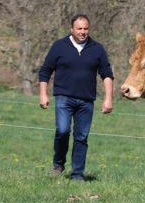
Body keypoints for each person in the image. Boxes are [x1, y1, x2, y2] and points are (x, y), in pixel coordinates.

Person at [39, 14, 114, 180]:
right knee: (63, 130)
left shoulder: (97, 48)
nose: (83, 32)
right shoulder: (59, 46)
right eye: (79, 28)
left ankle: (77, 174)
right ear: (71, 29)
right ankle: (58, 164)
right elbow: (45, 71)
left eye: (85, 28)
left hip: (86, 101)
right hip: (63, 98)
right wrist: (43, 94)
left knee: (81, 137)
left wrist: (108, 98)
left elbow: (107, 74)